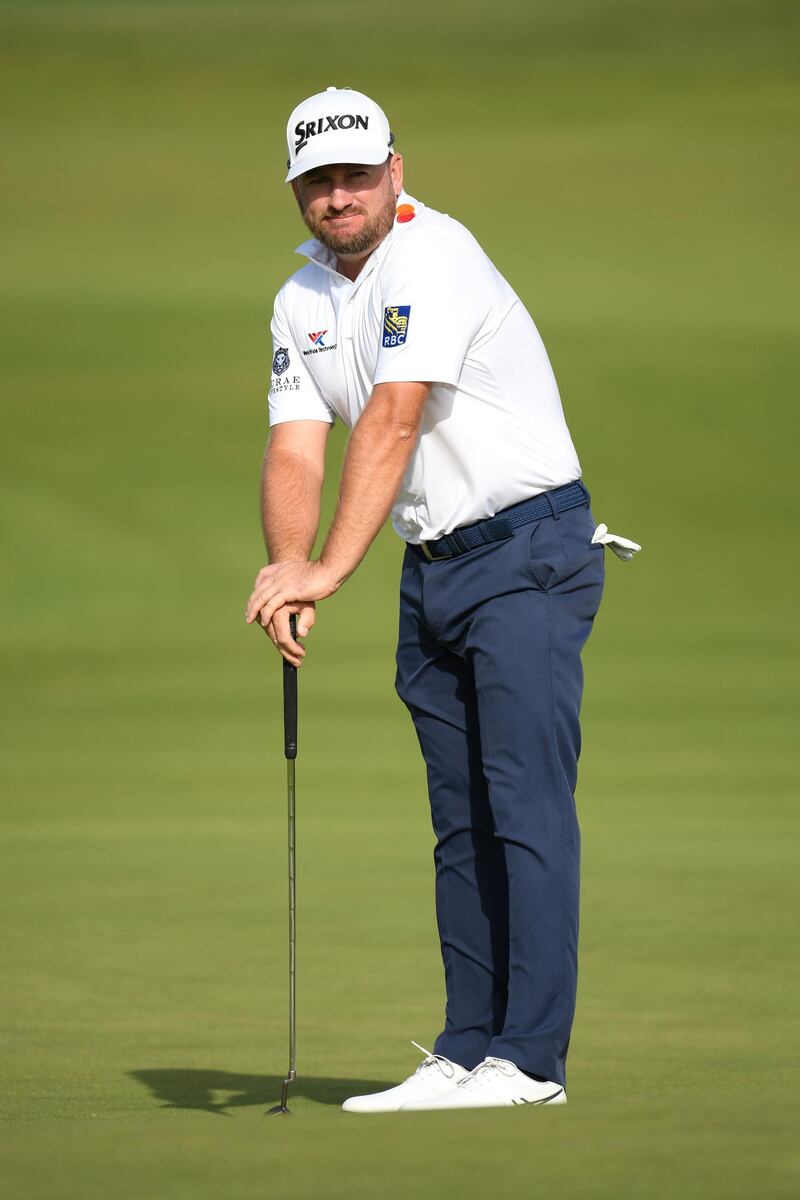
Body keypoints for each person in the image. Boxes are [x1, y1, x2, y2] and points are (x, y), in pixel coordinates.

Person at [245, 86, 639, 1111]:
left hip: (527, 551)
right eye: (318, 181)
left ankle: (530, 1062)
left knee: (523, 810)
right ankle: (467, 1049)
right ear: (296, 189)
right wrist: (288, 570)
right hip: (435, 569)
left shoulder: (435, 255)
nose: (340, 196)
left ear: (395, 172)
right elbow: (296, 445)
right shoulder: (300, 301)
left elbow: (391, 416)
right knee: (459, 820)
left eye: (356, 174)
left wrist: (331, 568)